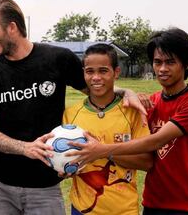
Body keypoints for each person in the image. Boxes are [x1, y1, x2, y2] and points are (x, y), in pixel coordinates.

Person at [0, 0, 147, 215]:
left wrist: (127, 92)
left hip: (45, 186)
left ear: (12, 27)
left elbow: (95, 88)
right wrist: (26, 148)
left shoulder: (57, 59)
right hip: (0, 186)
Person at [68, 28, 188, 215]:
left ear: (186, 64)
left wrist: (101, 150)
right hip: (153, 203)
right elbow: (103, 85)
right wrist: (126, 91)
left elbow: (155, 142)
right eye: (157, 62)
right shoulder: (150, 103)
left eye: (170, 62)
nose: (162, 69)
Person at [63, 43, 153, 215]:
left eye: (103, 71)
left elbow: (147, 162)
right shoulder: (71, 114)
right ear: (83, 73)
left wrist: (103, 151)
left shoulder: (132, 112)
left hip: (123, 210)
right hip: (82, 209)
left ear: (116, 73)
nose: (96, 77)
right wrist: (64, 167)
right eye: (90, 71)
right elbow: (66, 158)